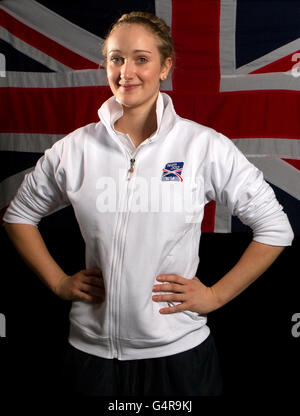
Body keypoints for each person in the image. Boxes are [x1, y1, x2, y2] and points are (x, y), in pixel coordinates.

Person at [3, 11, 294, 396]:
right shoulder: (74, 150)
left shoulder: (202, 146)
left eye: (141, 59)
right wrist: (58, 282)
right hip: (91, 354)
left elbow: (275, 227)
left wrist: (215, 295)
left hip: (179, 355)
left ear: (164, 67)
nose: (127, 71)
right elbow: (19, 214)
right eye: (116, 58)